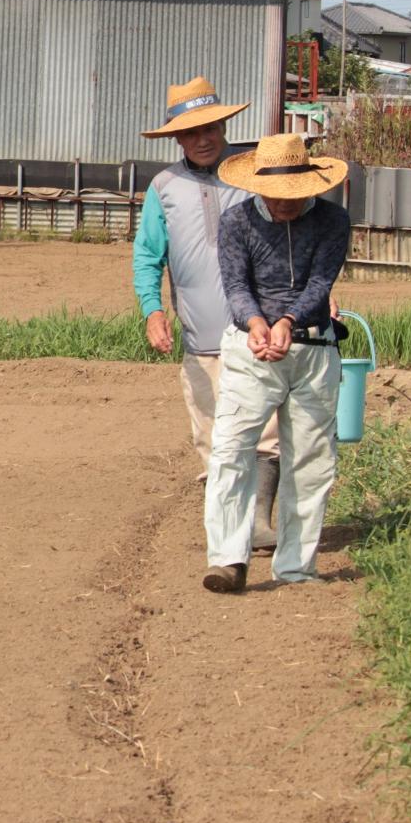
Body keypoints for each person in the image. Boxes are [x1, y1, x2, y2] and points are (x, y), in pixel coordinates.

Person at [134, 78, 281, 549]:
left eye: (210, 128)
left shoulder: (253, 172)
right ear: (177, 137)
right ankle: (230, 525)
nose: (202, 140)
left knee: (266, 432)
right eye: (190, 132)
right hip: (201, 340)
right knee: (214, 437)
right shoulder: (164, 186)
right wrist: (153, 310)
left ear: (223, 126)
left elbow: (290, 237)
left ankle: (258, 523)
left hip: (257, 331)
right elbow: (146, 256)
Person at [201, 133, 352, 593]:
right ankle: (228, 559)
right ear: (257, 187)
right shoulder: (236, 223)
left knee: (310, 459)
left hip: (313, 351)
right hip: (251, 350)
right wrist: (255, 323)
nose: (285, 204)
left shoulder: (333, 220)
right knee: (231, 449)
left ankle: (296, 566)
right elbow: (235, 284)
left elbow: (322, 280)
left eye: (295, 194)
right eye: (275, 195)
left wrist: (287, 320)